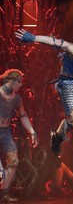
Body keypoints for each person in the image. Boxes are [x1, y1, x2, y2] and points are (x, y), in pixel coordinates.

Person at [0, 69, 38, 203]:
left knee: (13, 161)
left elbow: (23, 115)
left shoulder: (16, 98)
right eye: (18, 82)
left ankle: (3, 192)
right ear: (10, 81)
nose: (21, 85)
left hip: (5, 132)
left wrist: (31, 130)